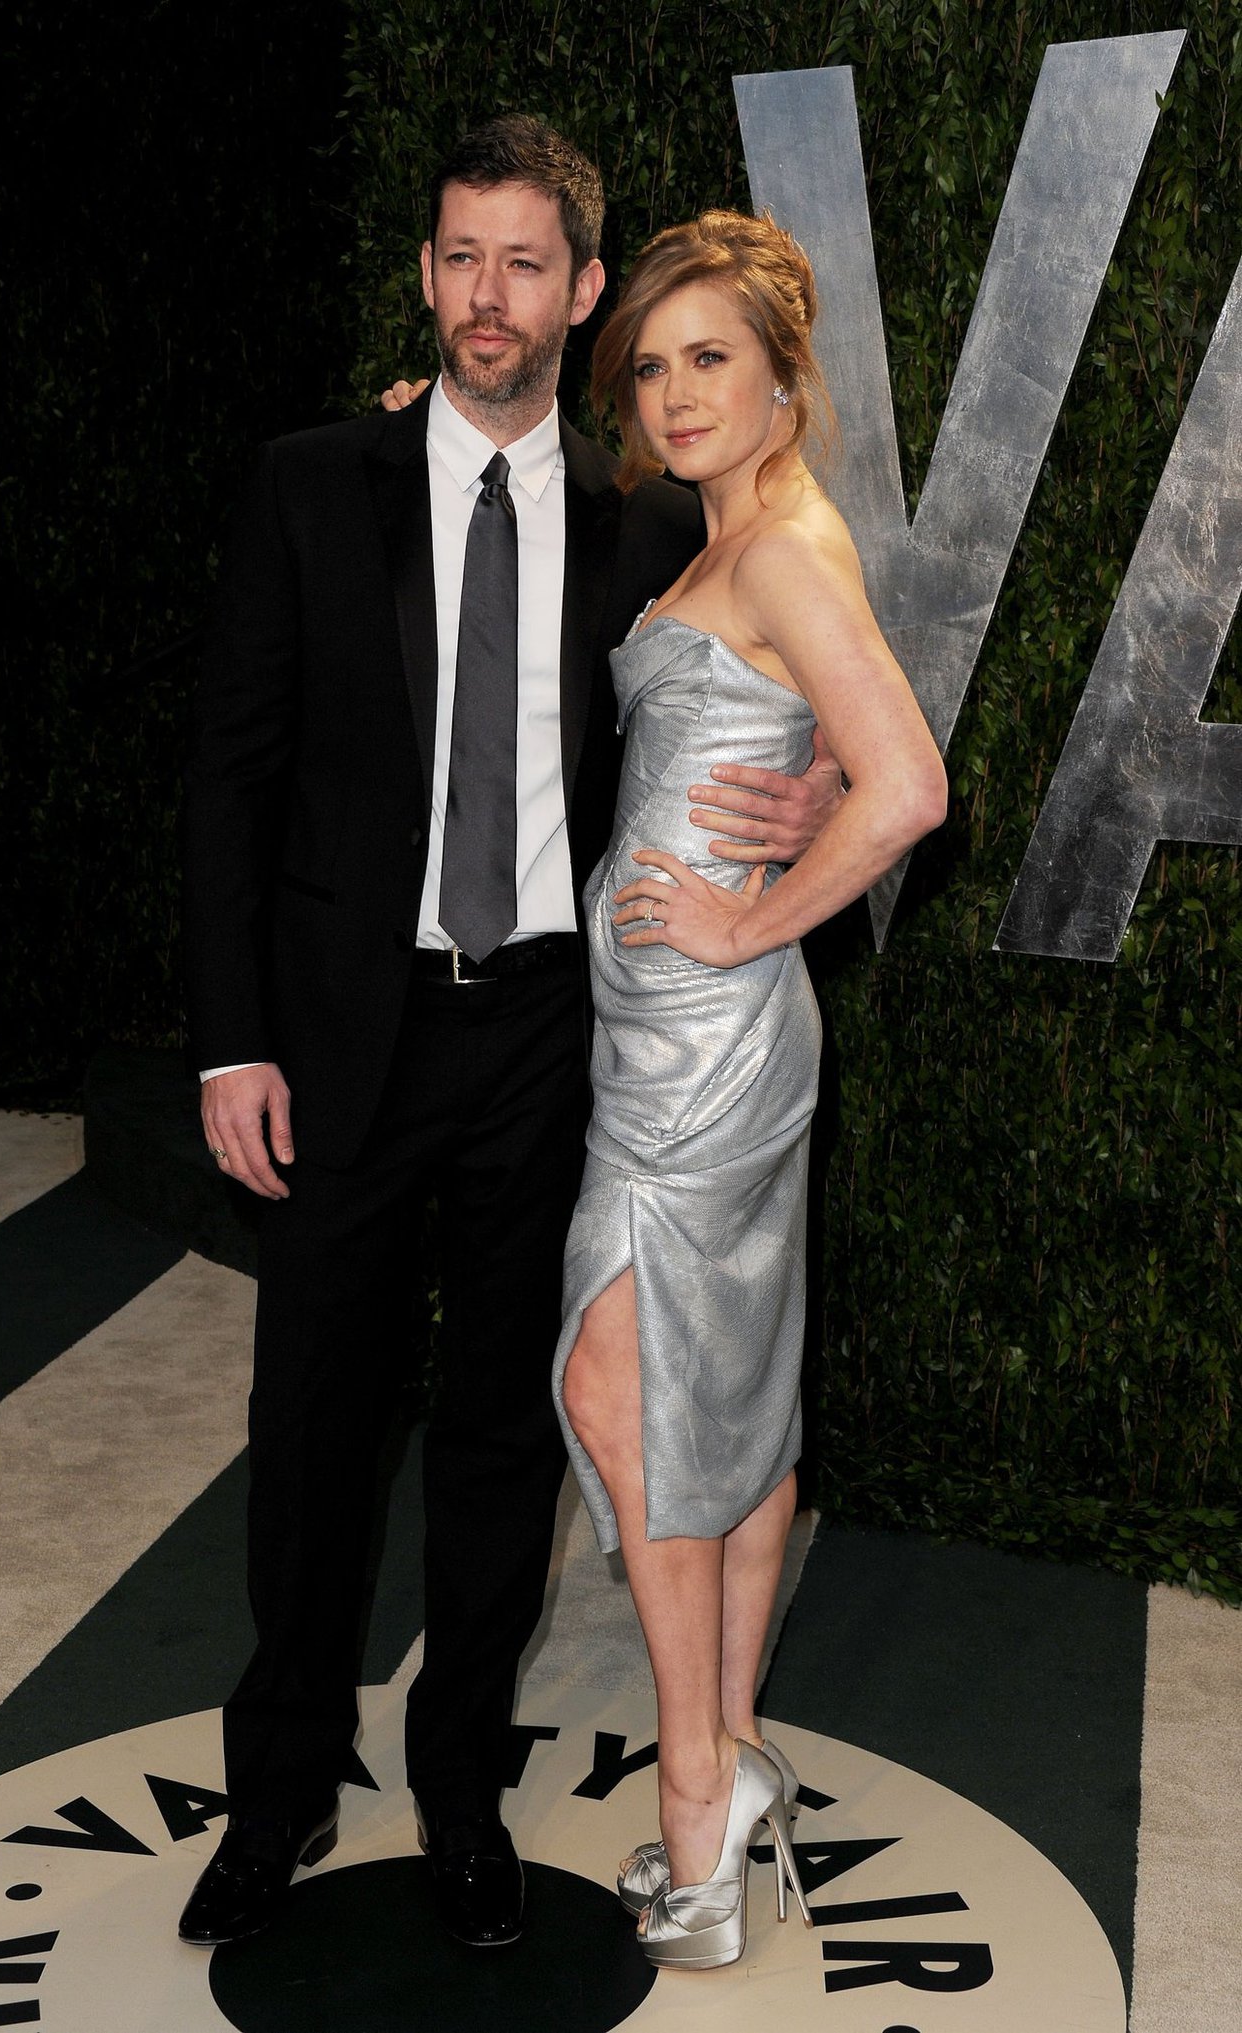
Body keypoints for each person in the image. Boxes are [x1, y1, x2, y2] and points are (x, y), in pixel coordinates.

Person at [178, 121, 843, 1953]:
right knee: (311, 1424)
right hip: (336, 1041)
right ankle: (282, 1793)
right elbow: (230, 781)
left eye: (526, 264)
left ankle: (462, 1792)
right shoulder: (315, 482)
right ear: (428, 275)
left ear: (582, 288)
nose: (489, 296)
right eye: (460, 258)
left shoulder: (650, 521)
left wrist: (808, 805)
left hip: (554, 1037)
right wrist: (231, 1038)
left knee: (501, 1437)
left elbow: (802, 683)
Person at [553, 210, 948, 1970]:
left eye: (710, 356)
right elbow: (817, 759)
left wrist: (746, 926)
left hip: (702, 1056)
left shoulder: (782, 546)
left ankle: (696, 1808)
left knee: (620, 1383)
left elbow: (910, 786)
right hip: (668, 1046)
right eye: (650, 363)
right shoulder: (731, 531)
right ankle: (730, 1769)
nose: (674, 391)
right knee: (720, 1399)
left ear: (786, 378)